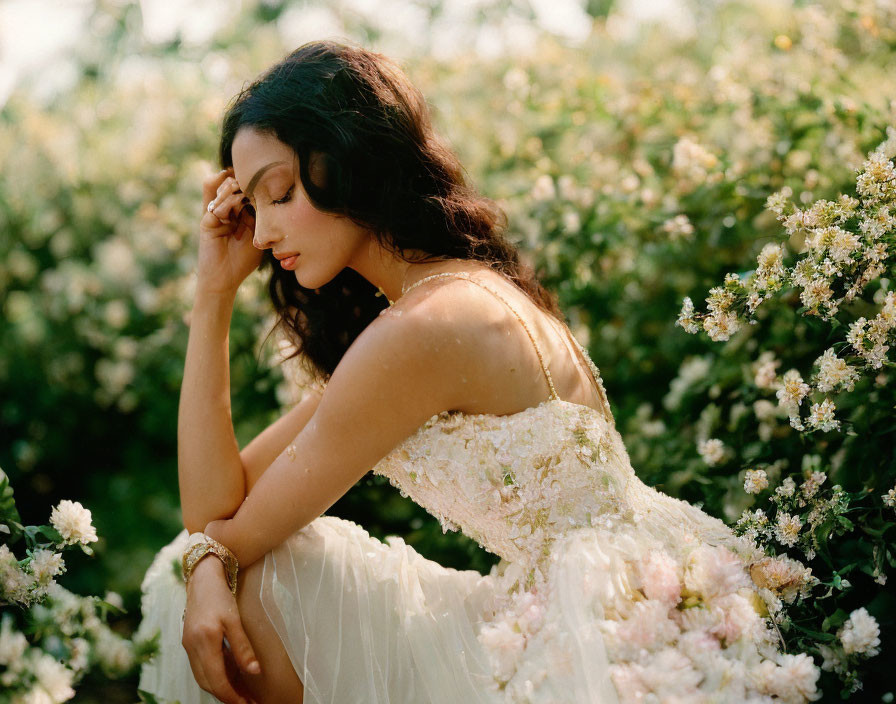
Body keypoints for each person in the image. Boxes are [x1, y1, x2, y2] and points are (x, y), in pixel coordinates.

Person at [137, 40, 821, 704]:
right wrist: (214, 293)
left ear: (348, 163)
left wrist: (205, 564)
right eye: (251, 206)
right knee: (210, 571)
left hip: (602, 629)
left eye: (279, 194)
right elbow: (215, 512)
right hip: (627, 587)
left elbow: (225, 535)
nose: (258, 236)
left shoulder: (424, 331)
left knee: (232, 583)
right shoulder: (443, 303)